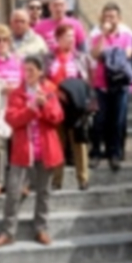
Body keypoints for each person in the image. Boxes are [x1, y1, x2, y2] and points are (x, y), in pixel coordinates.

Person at [0, 56, 63, 249]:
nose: (27, 74)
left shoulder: (50, 90)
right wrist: (31, 109)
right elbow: (11, 119)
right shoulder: (17, 93)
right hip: (23, 150)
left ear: (40, 72)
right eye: (25, 70)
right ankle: (8, 231)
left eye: (31, 70)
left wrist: (44, 105)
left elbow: (57, 117)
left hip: (46, 149)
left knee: (44, 192)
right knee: (13, 191)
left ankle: (41, 228)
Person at [90, 1, 132, 172]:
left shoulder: (126, 37)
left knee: (118, 121)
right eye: (106, 16)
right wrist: (103, 36)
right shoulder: (96, 37)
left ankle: (114, 153)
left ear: (119, 19)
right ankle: (96, 152)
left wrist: (107, 54)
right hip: (101, 85)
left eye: (112, 17)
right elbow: (95, 54)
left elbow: (126, 55)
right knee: (99, 121)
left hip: (119, 85)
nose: (109, 19)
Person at [46, 24, 91, 190]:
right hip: (56, 102)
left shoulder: (80, 57)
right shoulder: (49, 58)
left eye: (73, 36)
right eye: (66, 36)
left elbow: (86, 80)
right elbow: (43, 79)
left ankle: (83, 178)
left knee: (79, 140)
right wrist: (55, 91)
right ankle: (57, 180)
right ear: (58, 39)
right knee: (58, 142)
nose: (71, 40)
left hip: (76, 104)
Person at [0, 24, 22, 195]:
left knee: (18, 144)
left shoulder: (17, 60)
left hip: (16, 106)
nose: (1, 43)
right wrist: (1, 87)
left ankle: (20, 183)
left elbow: (24, 81)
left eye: (5, 40)